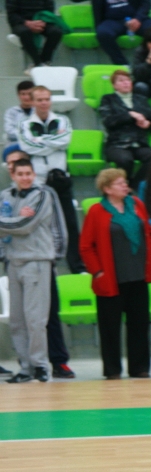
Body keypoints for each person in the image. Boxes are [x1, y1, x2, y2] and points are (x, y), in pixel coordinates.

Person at [80, 168, 151, 380]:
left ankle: (139, 368)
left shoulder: (137, 204)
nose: (125, 186)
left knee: (140, 324)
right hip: (110, 279)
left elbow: (148, 233)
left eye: (125, 182)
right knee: (110, 328)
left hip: (138, 275)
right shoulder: (96, 211)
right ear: (107, 189)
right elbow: (86, 246)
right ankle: (112, 370)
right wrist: (97, 272)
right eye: (120, 183)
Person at [3, 147, 73, 379]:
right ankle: (25, 367)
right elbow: (12, 224)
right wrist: (15, 219)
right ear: (13, 175)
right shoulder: (5, 196)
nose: (25, 178)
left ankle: (41, 365)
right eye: (20, 174)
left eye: (28, 174)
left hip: (37, 260)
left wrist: (11, 221)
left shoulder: (43, 194)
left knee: (36, 319)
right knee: (17, 321)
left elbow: (25, 226)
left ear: (34, 174)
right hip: (14, 262)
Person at [17, 84, 84, 274]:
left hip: (60, 178)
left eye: (47, 99)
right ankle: (47, 265)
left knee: (70, 223)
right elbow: (27, 146)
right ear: (33, 102)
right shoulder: (24, 124)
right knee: (42, 224)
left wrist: (40, 141)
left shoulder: (62, 120)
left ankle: (77, 266)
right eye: (39, 100)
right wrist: (53, 143)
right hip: (38, 182)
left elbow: (65, 140)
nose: (44, 103)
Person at [99, 70, 151, 185]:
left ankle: (133, 185)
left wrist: (148, 124)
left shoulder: (141, 100)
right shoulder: (108, 99)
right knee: (125, 160)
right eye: (121, 80)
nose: (126, 83)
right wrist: (130, 115)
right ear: (114, 85)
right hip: (117, 144)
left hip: (139, 144)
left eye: (128, 80)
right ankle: (125, 186)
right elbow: (108, 121)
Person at [82, 0, 151, 66]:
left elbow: (146, 3)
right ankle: (123, 66)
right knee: (103, 33)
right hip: (112, 21)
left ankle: (150, 64)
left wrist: (138, 18)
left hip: (137, 18)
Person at [7, 0, 62, 71]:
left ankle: (45, 60)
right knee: (24, 32)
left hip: (41, 21)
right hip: (21, 23)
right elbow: (12, 15)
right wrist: (27, 23)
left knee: (56, 32)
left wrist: (39, 23)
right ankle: (37, 62)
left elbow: (49, 12)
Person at [4, 82, 35, 156]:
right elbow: (10, 132)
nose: (27, 97)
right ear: (18, 95)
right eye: (23, 94)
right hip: (16, 147)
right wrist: (30, 136)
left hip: (36, 147)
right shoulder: (11, 112)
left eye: (29, 94)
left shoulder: (40, 111)